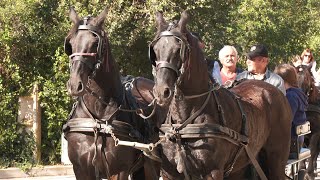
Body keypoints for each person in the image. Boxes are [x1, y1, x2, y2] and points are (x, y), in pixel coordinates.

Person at [274, 64, 308, 153]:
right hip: (297, 140)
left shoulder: (290, 96)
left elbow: (286, 120)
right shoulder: (297, 93)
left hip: (291, 143)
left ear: (281, 80)